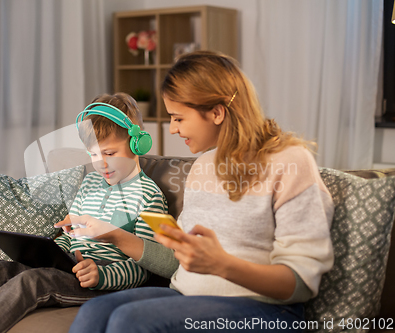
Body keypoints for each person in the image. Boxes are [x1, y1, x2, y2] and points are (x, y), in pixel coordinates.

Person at [68, 51, 334, 333]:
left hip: (267, 309)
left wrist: (222, 264)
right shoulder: (203, 166)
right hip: (189, 296)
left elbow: (301, 284)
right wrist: (116, 235)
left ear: (217, 112)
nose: (172, 129)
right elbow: (175, 263)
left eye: (178, 118)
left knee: (131, 321)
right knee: (94, 312)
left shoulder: (291, 161)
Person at [0, 93, 168, 333]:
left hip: (99, 281)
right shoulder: (91, 183)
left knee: (31, 281)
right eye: (94, 155)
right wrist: (53, 250)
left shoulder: (148, 195)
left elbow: (144, 270)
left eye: (110, 153)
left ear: (136, 145)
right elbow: (70, 237)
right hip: (67, 267)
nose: (102, 164)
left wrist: (101, 276)